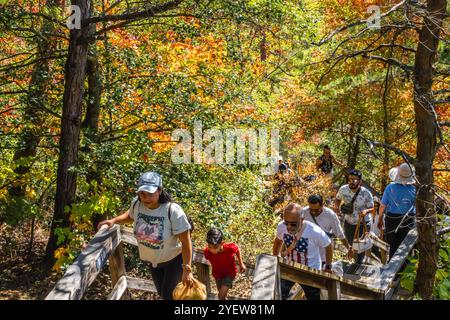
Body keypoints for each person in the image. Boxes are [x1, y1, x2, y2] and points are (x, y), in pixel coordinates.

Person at [98, 171, 194, 300]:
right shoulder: (137, 204)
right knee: (162, 292)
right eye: (142, 193)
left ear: (159, 191)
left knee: (167, 296)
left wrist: (187, 269)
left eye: (150, 193)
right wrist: (113, 221)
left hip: (173, 261)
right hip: (152, 261)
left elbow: (186, 241)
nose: (146, 197)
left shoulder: (172, 211)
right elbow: (130, 215)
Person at [273, 203, 333, 300]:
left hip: (310, 271)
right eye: (286, 223)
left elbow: (328, 245)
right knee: (279, 294)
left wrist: (328, 266)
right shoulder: (281, 227)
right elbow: (278, 241)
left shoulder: (314, 231)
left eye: (293, 224)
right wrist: (275, 258)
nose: (288, 227)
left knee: (313, 297)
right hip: (289, 267)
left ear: (302, 219)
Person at [334, 169, 374, 264]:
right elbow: (337, 198)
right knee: (351, 244)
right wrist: (337, 207)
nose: (351, 181)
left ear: (360, 181)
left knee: (359, 247)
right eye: (350, 179)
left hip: (362, 223)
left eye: (354, 179)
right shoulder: (343, 189)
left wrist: (366, 211)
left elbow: (372, 209)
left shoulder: (366, 193)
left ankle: (358, 263)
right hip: (349, 222)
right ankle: (354, 261)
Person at [378, 163, 416, 260]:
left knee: (393, 245)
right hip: (409, 219)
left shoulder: (390, 187)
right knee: (405, 247)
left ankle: (391, 268)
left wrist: (380, 219)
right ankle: (403, 270)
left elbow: (383, 205)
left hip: (391, 218)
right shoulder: (414, 189)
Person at [302, 194, 353, 266]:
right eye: (311, 210)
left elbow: (339, 233)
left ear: (322, 205)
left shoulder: (330, 215)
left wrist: (348, 248)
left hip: (323, 251)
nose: (313, 212)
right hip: (307, 251)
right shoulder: (303, 212)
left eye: (316, 210)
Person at [203, 228, 246, 300]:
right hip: (217, 275)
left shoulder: (229, 249)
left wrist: (241, 264)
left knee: (221, 295)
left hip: (229, 274)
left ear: (222, 243)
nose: (212, 250)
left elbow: (237, 249)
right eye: (210, 247)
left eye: (215, 247)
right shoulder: (207, 252)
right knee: (222, 297)